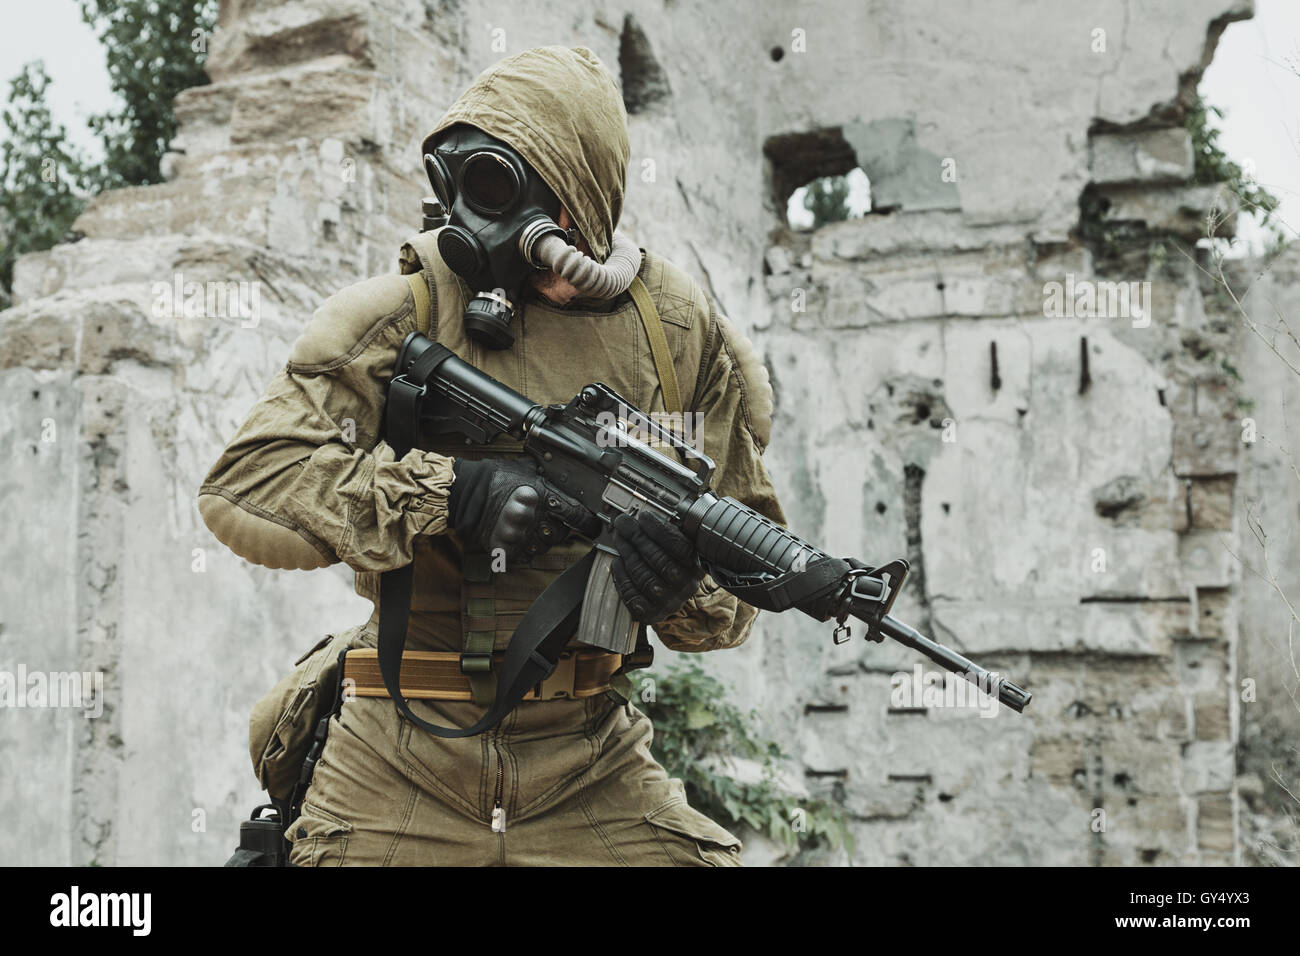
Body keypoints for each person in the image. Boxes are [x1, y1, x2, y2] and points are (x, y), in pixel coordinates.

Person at [198, 45, 787, 866]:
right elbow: (247, 483)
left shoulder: (678, 334)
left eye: (497, 189)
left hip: (587, 754)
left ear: (577, 199)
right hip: (398, 753)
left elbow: (735, 594)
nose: (470, 221)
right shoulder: (405, 310)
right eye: (460, 188)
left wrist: (679, 584)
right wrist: (449, 495)